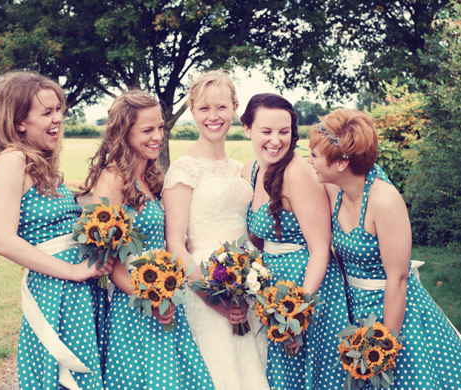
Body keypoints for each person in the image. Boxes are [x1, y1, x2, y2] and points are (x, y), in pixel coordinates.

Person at [308, 108, 461, 389]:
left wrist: (385, 344)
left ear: (341, 162)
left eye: (314, 155)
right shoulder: (335, 189)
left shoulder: (384, 201)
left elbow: (397, 280)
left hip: (395, 310)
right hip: (353, 308)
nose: (309, 160)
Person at [0, 71, 111, 390]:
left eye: (59, 110)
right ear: (19, 121)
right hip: (55, 292)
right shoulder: (13, 160)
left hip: (79, 292)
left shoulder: (46, 168)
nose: (58, 119)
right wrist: (73, 271)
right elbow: (3, 241)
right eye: (47, 112)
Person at [78, 90, 214, 390]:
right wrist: (150, 299)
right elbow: (105, 261)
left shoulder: (150, 178)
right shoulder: (112, 180)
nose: (157, 136)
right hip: (135, 309)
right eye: (147, 130)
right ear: (124, 133)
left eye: (161, 127)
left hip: (163, 300)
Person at [163, 71, 270, 390]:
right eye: (204, 108)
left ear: (235, 108)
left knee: (252, 367)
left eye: (221, 107)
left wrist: (253, 280)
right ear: (193, 111)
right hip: (205, 285)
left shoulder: (242, 169)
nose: (213, 116)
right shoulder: (183, 169)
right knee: (219, 372)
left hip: (246, 284)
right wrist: (215, 298)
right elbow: (175, 244)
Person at [242, 93, 349, 390]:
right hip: (272, 287)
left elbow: (319, 249)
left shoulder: (297, 173)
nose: (276, 140)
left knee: (307, 374)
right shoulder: (251, 169)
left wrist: (296, 310)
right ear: (248, 129)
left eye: (284, 132)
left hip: (306, 288)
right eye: (266, 131)